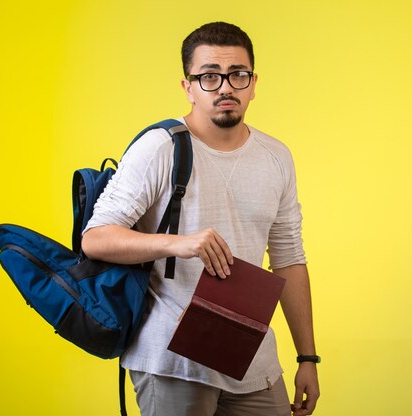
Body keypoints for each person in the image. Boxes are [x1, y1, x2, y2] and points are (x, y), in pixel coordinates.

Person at [81, 21, 320, 416]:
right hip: (172, 358)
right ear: (188, 87)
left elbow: (289, 260)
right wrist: (180, 243)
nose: (225, 87)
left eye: (237, 75)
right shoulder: (159, 148)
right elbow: (96, 238)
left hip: (251, 356)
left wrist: (307, 357)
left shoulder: (276, 157)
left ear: (253, 83)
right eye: (209, 76)